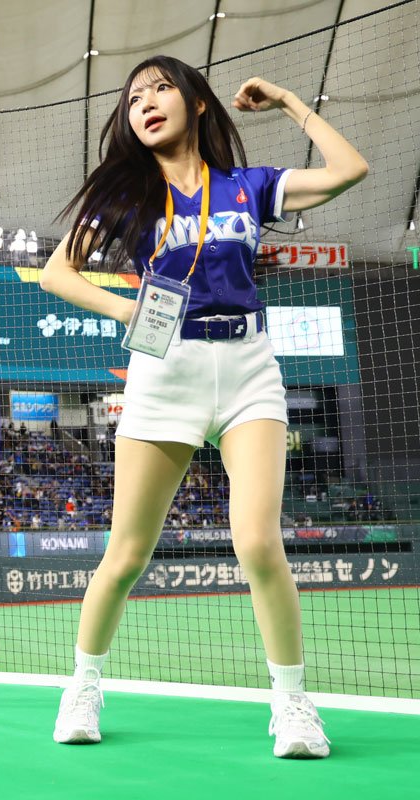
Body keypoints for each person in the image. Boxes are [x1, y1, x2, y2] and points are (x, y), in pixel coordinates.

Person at [39, 56, 367, 759]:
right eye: (134, 98)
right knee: (126, 554)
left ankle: (293, 705)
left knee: (258, 541)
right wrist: (125, 309)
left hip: (248, 368)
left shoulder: (249, 187)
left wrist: (288, 100)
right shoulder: (128, 194)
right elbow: (56, 272)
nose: (146, 103)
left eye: (162, 88)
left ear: (197, 103)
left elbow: (350, 170)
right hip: (167, 370)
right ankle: (84, 687)